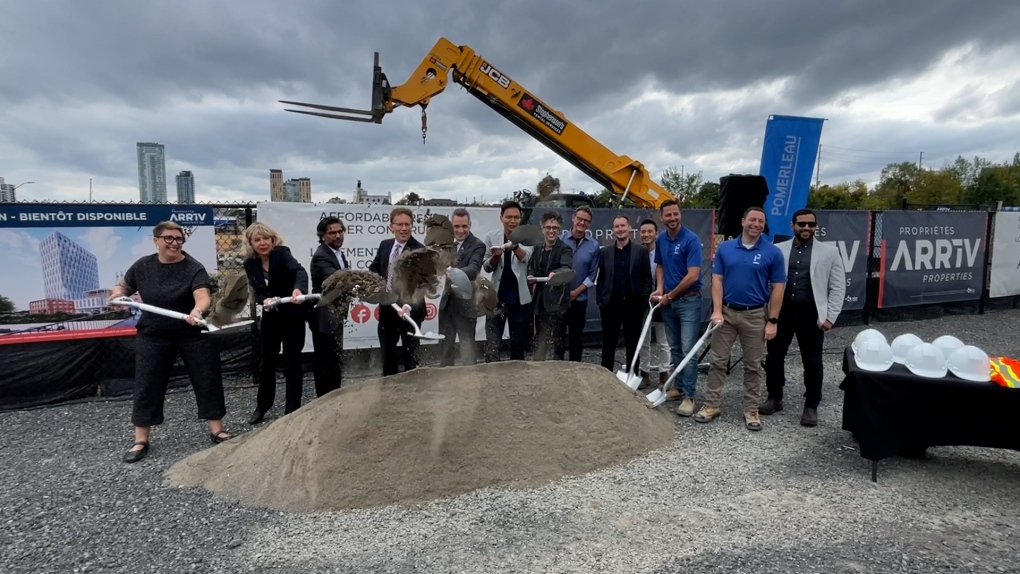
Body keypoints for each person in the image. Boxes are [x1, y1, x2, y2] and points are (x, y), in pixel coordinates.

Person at [109, 221, 231, 463]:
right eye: (169, 238)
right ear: (156, 240)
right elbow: (124, 285)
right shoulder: (143, 265)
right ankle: (140, 439)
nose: (175, 243)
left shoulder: (193, 267)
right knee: (147, 383)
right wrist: (116, 294)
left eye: (179, 238)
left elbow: (202, 295)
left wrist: (197, 312)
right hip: (153, 333)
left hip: (191, 332)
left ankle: (217, 429)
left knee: (207, 378)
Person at [695, 207, 786, 431]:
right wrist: (716, 311)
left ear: (764, 226)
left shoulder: (772, 252)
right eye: (752, 220)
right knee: (718, 362)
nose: (756, 224)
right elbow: (717, 279)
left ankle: (751, 410)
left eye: (761, 221)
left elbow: (778, 287)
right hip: (726, 313)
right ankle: (712, 405)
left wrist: (772, 320)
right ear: (743, 221)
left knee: (753, 365)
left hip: (755, 315)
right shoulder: (725, 248)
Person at [761, 208, 846, 427]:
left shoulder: (829, 252)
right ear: (793, 226)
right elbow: (767, 282)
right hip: (781, 312)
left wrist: (831, 316)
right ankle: (775, 397)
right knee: (774, 357)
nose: (807, 228)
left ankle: (811, 405)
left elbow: (837, 287)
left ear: (815, 226)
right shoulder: (777, 250)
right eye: (802, 224)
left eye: (811, 224)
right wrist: (768, 314)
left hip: (811, 313)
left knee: (812, 360)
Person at [243, 222, 310, 425]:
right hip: (271, 317)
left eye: (266, 238)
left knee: (292, 362)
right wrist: (263, 300)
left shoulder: (282, 254)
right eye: (257, 240)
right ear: (251, 243)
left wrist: (298, 290)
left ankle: (292, 409)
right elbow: (257, 291)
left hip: (292, 315)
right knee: (266, 363)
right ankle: (263, 406)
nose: (263, 243)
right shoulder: (250, 264)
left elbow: (299, 271)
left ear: (273, 240)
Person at [649, 199, 703, 417]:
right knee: (676, 348)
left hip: (688, 301)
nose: (672, 219)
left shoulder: (691, 240)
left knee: (689, 349)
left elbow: (693, 275)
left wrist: (670, 295)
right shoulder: (661, 239)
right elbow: (660, 265)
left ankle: (690, 396)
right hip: (669, 302)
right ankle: (678, 387)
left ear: (680, 215)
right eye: (668, 215)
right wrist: (660, 289)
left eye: (675, 214)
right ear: (661, 218)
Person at [369, 206, 427, 375]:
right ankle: (388, 392)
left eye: (407, 224)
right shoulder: (385, 245)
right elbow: (374, 269)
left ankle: (411, 394)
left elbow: (421, 284)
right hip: (388, 309)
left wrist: (408, 305)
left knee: (410, 357)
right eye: (400, 224)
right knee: (388, 356)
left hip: (410, 311)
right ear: (391, 227)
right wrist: (375, 286)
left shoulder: (420, 251)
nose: (404, 229)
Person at [596, 214, 653, 372]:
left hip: (633, 304)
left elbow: (647, 278)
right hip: (610, 305)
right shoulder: (605, 252)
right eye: (617, 227)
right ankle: (605, 376)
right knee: (608, 344)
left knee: (632, 344)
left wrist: (642, 300)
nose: (620, 229)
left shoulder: (640, 251)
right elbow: (601, 278)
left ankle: (632, 377)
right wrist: (600, 300)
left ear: (629, 228)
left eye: (623, 226)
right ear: (613, 230)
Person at [482, 200, 534, 362]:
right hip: (496, 298)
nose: (512, 221)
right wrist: (495, 256)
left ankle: (517, 381)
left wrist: (514, 246)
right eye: (509, 217)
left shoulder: (528, 237)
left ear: (521, 218)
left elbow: (526, 258)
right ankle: (491, 378)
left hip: (519, 300)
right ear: (501, 218)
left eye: (516, 217)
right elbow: (487, 266)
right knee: (492, 347)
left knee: (518, 346)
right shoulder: (491, 237)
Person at [438, 208, 486, 366]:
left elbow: (474, 268)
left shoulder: (478, 245)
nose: (460, 230)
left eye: (464, 226)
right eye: (457, 226)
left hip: (466, 304)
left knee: (467, 348)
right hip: (447, 304)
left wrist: (453, 272)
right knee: (445, 348)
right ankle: (445, 382)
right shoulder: (444, 243)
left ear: (470, 225)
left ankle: (470, 383)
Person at [309, 216, 349, 396]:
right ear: (322, 235)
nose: (338, 236)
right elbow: (336, 280)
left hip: (336, 314)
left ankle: (335, 395)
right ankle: (324, 399)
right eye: (332, 233)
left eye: (340, 232)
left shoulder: (337, 253)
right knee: (325, 360)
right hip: (324, 316)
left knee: (335, 357)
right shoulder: (321, 256)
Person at [527, 211, 574, 360]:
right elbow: (531, 268)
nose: (551, 230)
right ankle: (539, 369)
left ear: (559, 230)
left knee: (557, 342)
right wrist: (530, 275)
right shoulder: (537, 249)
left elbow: (566, 267)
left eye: (555, 227)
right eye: (548, 227)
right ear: (543, 229)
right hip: (540, 303)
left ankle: (558, 373)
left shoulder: (565, 249)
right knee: (540, 338)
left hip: (558, 303)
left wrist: (557, 273)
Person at [559, 206, 600, 361]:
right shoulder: (560, 240)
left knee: (576, 337)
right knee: (559, 337)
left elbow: (592, 274)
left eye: (586, 221)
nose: (582, 223)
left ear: (589, 224)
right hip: (559, 299)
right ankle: (557, 370)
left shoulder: (594, 245)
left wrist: (576, 292)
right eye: (580, 219)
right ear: (573, 218)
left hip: (580, 299)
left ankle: (575, 370)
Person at [637, 219, 672, 390]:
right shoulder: (639, 253)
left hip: (661, 302)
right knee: (643, 340)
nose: (646, 235)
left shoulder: (663, 253)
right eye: (643, 232)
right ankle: (644, 374)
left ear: (656, 233)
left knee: (663, 341)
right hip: (644, 303)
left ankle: (664, 375)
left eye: (649, 231)